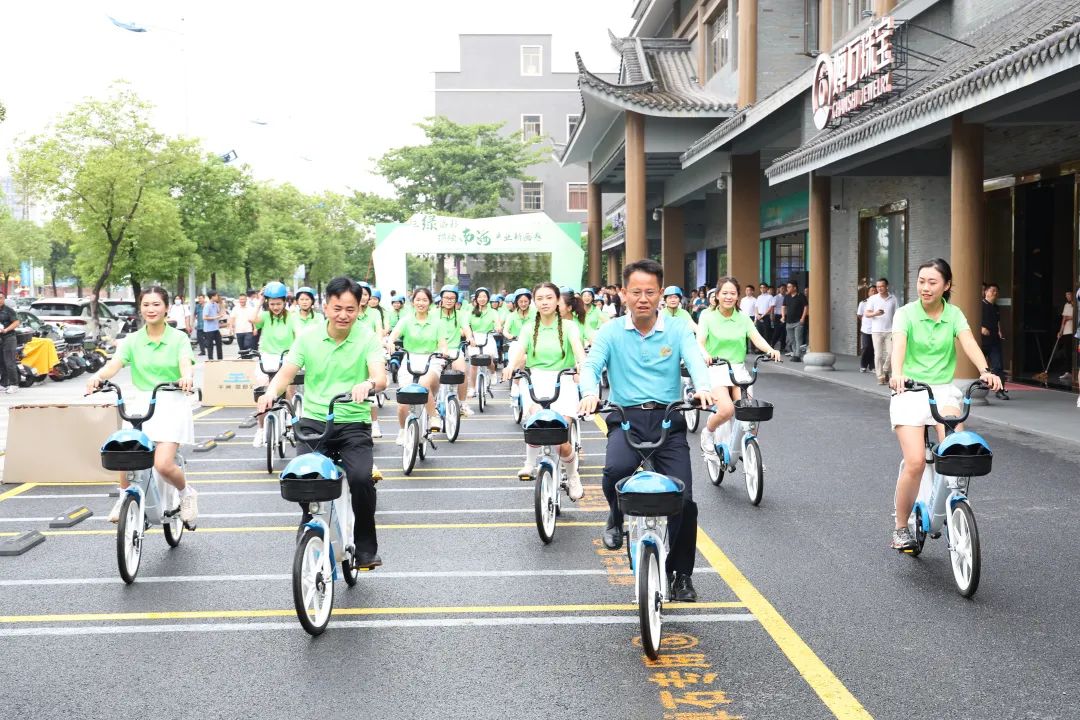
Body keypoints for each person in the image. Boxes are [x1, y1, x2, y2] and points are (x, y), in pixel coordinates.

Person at [579, 259, 716, 602]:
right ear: (623, 293)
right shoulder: (610, 331)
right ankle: (615, 514)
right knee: (614, 471)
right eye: (636, 291)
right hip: (625, 417)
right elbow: (592, 365)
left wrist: (703, 387)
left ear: (661, 294)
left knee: (682, 498)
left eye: (650, 292)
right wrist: (590, 393)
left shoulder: (677, 328)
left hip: (668, 419)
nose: (643, 298)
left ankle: (681, 575)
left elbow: (695, 360)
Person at [256, 276, 387, 569]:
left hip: (353, 423)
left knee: (361, 479)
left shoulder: (367, 337)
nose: (344, 315)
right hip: (315, 422)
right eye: (337, 308)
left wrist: (367, 384)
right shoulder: (308, 336)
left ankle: (365, 548)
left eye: (350, 309)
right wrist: (269, 393)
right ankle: (309, 524)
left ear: (358, 308)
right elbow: (286, 373)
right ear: (325, 307)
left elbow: (380, 376)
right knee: (306, 478)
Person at [887, 258, 1002, 551]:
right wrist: (896, 373)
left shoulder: (954, 314)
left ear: (946, 285)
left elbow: (969, 342)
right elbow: (898, 346)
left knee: (955, 452)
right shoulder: (905, 314)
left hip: (943, 392)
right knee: (914, 463)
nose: (925, 287)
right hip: (910, 390)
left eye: (932, 282)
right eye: (921, 281)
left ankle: (951, 505)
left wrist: (986, 370)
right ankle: (901, 527)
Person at [88, 287, 198, 526]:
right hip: (141, 403)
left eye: (156, 304)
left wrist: (186, 377)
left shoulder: (178, 338)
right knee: (126, 453)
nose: (151, 309)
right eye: (146, 304)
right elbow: (114, 364)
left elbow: (185, 363)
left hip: (171, 401)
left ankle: (185, 493)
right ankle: (123, 497)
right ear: (140, 308)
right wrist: (98, 377)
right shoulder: (132, 340)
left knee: (163, 464)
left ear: (167, 308)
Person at [504, 283, 587, 497]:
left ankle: (573, 477)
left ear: (557, 300)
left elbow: (578, 349)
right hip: (536, 380)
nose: (544, 302)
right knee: (538, 426)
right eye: (539, 298)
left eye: (549, 297)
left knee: (560, 439)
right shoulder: (528, 327)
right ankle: (530, 463)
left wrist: (583, 365)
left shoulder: (569, 327)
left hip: (564, 380)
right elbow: (520, 349)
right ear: (534, 301)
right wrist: (510, 366)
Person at [697, 278, 781, 458]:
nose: (728, 296)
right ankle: (708, 433)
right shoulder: (707, 316)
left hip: (738, 370)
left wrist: (770, 350)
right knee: (727, 410)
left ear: (738, 297)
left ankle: (750, 453)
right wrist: (705, 354)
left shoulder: (743, 318)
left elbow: (756, 337)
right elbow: (700, 341)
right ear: (717, 295)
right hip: (716, 369)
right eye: (724, 293)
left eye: (732, 293)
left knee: (750, 412)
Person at [387, 288, 447, 439]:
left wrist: (444, 351)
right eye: (418, 300)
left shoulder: (437, 322)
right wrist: (390, 342)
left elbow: (442, 343)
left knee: (424, 384)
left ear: (430, 303)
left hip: (431, 359)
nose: (421, 303)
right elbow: (394, 334)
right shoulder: (406, 320)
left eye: (424, 300)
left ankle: (434, 416)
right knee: (403, 403)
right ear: (413, 302)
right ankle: (402, 430)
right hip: (410, 359)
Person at [252, 282, 296, 448]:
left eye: (278, 303)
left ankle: (289, 419)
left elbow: (298, 335)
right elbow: (252, 319)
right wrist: (260, 300)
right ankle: (261, 429)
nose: (275, 307)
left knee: (289, 390)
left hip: (287, 356)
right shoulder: (264, 316)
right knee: (262, 391)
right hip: (267, 356)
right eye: (272, 304)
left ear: (284, 302)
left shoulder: (291, 316)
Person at [435, 285, 474, 417]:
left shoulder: (460, 314)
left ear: (456, 300)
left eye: (452, 298)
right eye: (446, 297)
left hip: (454, 350)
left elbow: (466, 328)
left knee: (462, 373)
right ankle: (432, 404)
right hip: (436, 350)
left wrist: (469, 337)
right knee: (432, 377)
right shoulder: (433, 314)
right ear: (441, 299)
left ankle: (462, 404)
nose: (449, 300)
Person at [466, 287, 499, 397]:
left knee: (488, 360)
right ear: (476, 299)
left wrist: (498, 327)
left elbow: (497, 322)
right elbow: (466, 325)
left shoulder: (492, 312)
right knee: (474, 364)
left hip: (487, 337)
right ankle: (472, 388)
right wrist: (470, 337)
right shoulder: (471, 312)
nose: (482, 299)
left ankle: (493, 372)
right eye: (480, 297)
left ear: (488, 298)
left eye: (484, 296)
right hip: (474, 338)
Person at [865, 278, 898, 385]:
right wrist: (875, 313)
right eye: (878, 286)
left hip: (890, 330)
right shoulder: (873, 299)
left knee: (892, 353)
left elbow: (897, 314)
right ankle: (880, 376)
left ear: (886, 286)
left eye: (881, 286)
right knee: (878, 355)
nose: (879, 288)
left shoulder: (893, 299)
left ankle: (885, 368)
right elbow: (867, 314)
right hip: (876, 331)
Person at [979, 283, 1008, 400]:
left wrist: (1000, 331)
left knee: (998, 366)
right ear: (986, 292)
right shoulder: (980, 305)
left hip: (994, 341)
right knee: (979, 366)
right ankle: (976, 388)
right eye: (992, 291)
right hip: (981, 341)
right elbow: (971, 318)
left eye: (996, 291)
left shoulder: (996, 307)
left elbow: (997, 322)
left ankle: (1000, 390)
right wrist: (980, 328)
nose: (994, 293)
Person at [780, 281, 808, 362]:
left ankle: (797, 355)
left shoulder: (801, 296)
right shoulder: (787, 297)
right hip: (789, 322)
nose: (787, 288)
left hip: (798, 322)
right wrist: (783, 316)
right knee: (792, 339)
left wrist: (803, 318)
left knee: (798, 339)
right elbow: (783, 307)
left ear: (794, 288)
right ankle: (795, 353)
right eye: (787, 287)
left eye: (789, 287)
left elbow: (806, 307)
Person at [0, 291, 21, 393]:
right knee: (2, 362)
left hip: (9, 337)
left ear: (4, 299)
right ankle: (3, 384)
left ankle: (14, 384)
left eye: (1, 298)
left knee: (9, 362)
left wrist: (6, 330)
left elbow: (16, 322)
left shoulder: (9, 310)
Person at [857, 285, 877, 373]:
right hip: (866, 329)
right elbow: (859, 315)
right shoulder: (863, 303)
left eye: (875, 291)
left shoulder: (879, 302)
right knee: (866, 347)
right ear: (868, 293)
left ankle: (872, 366)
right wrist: (865, 321)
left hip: (876, 329)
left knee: (873, 348)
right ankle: (863, 365)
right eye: (872, 291)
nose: (874, 292)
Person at [202, 290, 225, 361]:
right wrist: (215, 317)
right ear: (212, 296)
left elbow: (219, 313)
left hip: (215, 328)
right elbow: (204, 317)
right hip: (209, 329)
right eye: (216, 296)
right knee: (210, 345)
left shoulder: (215, 304)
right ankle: (210, 359)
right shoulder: (207, 306)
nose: (218, 297)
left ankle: (220, 359)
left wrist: (222, 305)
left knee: (219, 344)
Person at [1058, 289, 1075, 382]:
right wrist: (1060, 331)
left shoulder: (1076, 305)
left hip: (1074, 331)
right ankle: (1068, 372)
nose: (1067, 296)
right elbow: (1063, 319)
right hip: (1066, 331)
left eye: (1069, 294)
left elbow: (1076, 315)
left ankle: (1075, 372)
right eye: (1066, 295)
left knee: (1074, 352)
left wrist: (1070, 317)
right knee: (1067, 352)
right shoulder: (1066, 305)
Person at [753, 283, 774, 349]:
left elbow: (770, 308)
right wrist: (757, 315)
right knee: (759, 333)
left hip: (766, 317)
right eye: (761, 288)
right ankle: (760, 349)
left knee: (766, 334)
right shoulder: (759, 297)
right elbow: (756, 307)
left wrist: (762, 316)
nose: (762, 289)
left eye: (764, 287)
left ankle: (767, 349)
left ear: (767, 288)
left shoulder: (770, 297)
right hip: (759, 316)